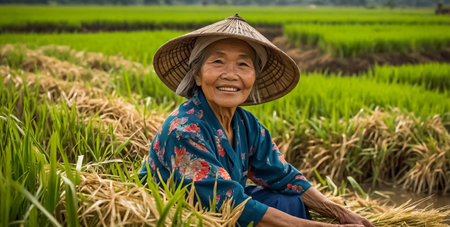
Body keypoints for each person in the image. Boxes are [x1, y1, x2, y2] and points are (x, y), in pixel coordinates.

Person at [139, 14, 374, 227]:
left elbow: (283, 176)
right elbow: (231, 205)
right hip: (187, 216)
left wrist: (340, 212)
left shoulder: (246, 124)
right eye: (217, 62)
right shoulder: (184, 130)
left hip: (225, 208)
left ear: (253, 78)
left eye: (243, 64)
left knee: (290, 201)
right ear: (197, 76)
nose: (231, 74)